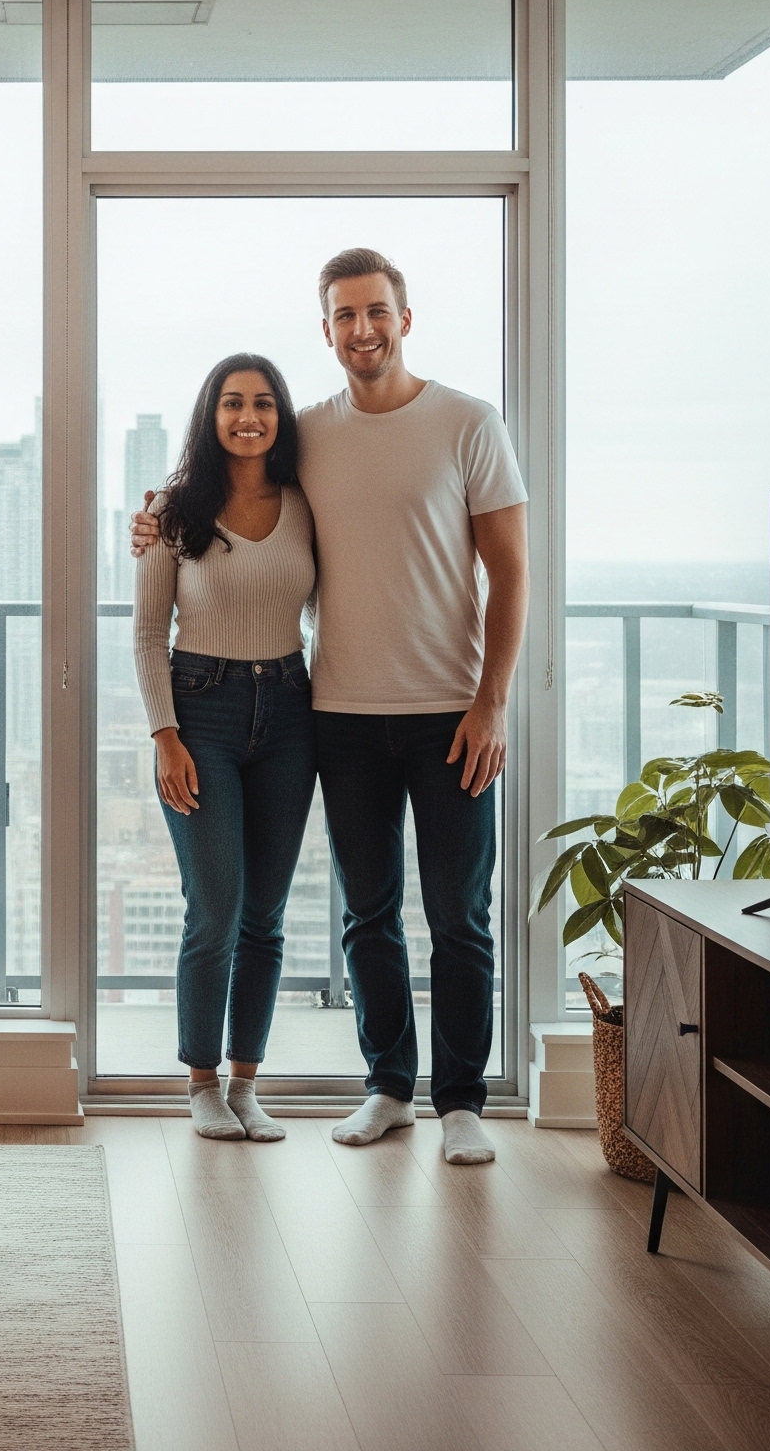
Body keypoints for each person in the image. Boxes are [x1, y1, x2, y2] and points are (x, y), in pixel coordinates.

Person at [132, 248, 528, 1164]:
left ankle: (460, 1102)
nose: (363, 329)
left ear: (404, 317)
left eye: (376, 311)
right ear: (326, 330)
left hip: (450, 713)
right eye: (345, 315)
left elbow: (511, 575)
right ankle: (389, 1087)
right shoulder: (308, 434)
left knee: (460, 916)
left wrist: (493, 703)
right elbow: (221, 493)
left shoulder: (469, 422)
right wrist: (155, 517)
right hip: (339, 715)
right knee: (367, 914)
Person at [135, 354, 317, 1141]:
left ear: (281, 417)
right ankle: (201, 1084)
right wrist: (165, 736)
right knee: (215, 909)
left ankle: (246, 1084)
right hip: (200, 714)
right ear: (211, 416)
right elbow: (148, 634)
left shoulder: (308, 504)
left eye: (264, 403)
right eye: (233, 403)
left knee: (265, 916)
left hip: (291, 714)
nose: (249, 417)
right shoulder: (171, 511)